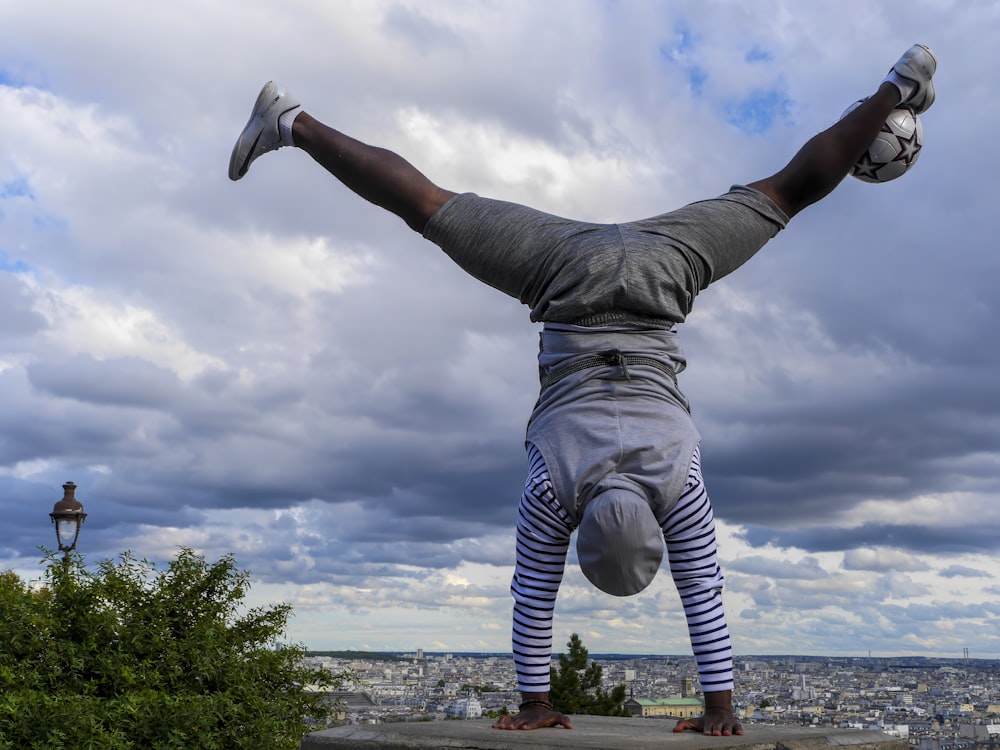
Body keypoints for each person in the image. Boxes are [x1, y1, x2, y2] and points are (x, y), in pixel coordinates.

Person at [229, 45, 937, 736]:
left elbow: (702, 596)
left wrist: (722, 707)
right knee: (429, 206)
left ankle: (890, 90)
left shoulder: (676, 488)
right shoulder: (553, 490)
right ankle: (291, 121)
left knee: (787, 192)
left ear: (654, 530)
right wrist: (537, 699)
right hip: (562, 279)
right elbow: (532, 597)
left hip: (665, 272)